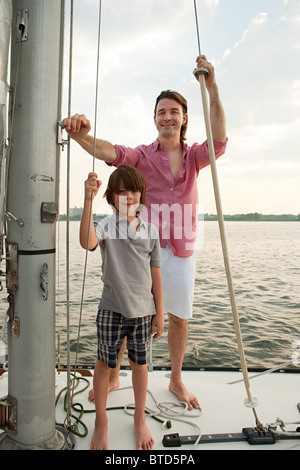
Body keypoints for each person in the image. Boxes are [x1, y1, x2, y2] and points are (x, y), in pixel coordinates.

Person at [63, 55, 227, 411]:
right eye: (161, 112)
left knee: (179, 316)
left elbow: (219, 140)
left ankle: (176, 378)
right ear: (155, 119)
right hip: (139, 248)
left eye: (174, 112)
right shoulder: (141, 155)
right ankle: (115, 371)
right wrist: (80, 136)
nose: (167, 117)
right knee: (127, 309)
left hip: (181, 249)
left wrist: (211, 87)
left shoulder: (196, 155)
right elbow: (111, 152)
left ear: (184, 118)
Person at [81, 165, 164, 450]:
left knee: (140, 366)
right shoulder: (105, 225)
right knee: (105, 364)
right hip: (111, 309)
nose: (128, 196)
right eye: (121, 191)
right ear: (112, 197)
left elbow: (155, 273)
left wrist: (160, 312)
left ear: (142, 196)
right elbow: (86, 242)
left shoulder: (151, 231)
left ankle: (139, 419)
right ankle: (101, 422)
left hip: (143, 312)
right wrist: (88, 199)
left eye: (133, 191)